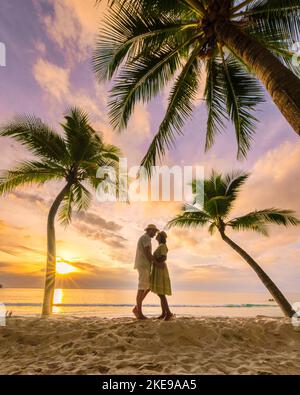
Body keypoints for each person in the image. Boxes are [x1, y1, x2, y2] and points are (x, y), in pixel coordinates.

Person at [133, 224, 159, 320]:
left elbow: (148, 253)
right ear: (149, 230)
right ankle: (139, 313)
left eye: (155, 232)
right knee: (141, 288)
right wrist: (156, 262)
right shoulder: (146, 238)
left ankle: (136, 308)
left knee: (148, 287)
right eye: (153, 231)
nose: (155, 233)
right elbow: (147, 253)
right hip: (143, 265)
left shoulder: (146, 238)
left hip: (145, 266)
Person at [150, 231, 175, 321]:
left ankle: (168, 313)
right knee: (160, 293)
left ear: (160, 237)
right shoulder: (160, 246)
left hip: (160, 269)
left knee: (161, 294)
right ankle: (164, 313)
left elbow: (164, 257)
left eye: (158, 236)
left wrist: (155, 260)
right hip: (158, 269)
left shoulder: (162, 246)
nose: (156, 237)